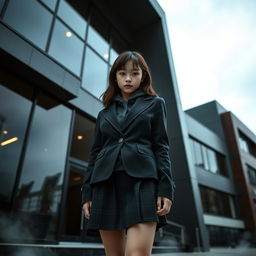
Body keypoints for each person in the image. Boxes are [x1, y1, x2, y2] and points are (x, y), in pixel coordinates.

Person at [81, 51, 175, 256]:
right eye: (122, 73)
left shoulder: (156, 103)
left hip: (141, 183)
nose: (128, 79)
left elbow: (161, 147)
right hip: (105, 183)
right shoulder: (103, 114)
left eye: (134, 73)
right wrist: (87, 193)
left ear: (143, 76)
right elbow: (95, 153)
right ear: (115, 76)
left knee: (137, 253)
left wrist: (166, 189)